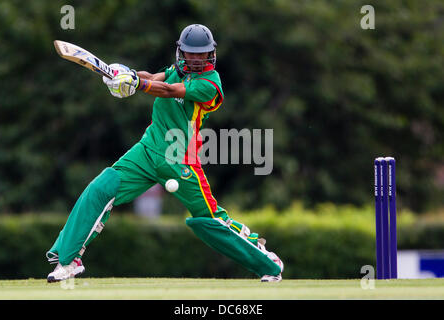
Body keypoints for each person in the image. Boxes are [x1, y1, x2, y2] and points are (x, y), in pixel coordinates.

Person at [46, 24, 284, 282]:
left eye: (200, 54)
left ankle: (266, 260)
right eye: (190, 54)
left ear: (210, 55)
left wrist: (137, 84)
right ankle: (69, 260)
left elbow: (170, 91)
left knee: (211, 220)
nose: (194, 59)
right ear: (180, 52)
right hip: (146, 152)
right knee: (101, 187)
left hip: (179, 158)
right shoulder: (175, 70)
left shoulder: (210, 83)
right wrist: (122, 73)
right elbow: (155, 78)